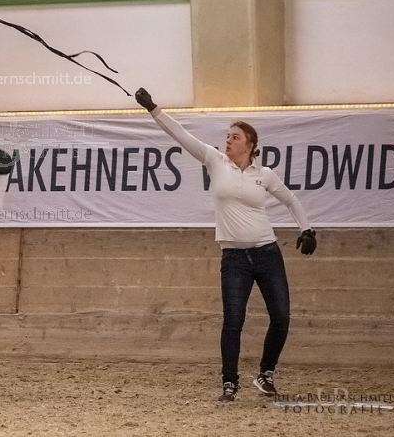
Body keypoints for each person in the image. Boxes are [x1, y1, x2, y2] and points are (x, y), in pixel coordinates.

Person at [134, 88, 317, 403]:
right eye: (228, 136)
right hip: (233, 257)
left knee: (282, 317)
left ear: (250, 145)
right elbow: (180, 135)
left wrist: (307, 229)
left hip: (267, 253)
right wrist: (153, 108)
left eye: (235, 136)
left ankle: (266, 373)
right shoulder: (214, 160)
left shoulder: (265, 174)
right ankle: (229, 383)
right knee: (233, 319)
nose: (228, 140)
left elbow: (290, 199)